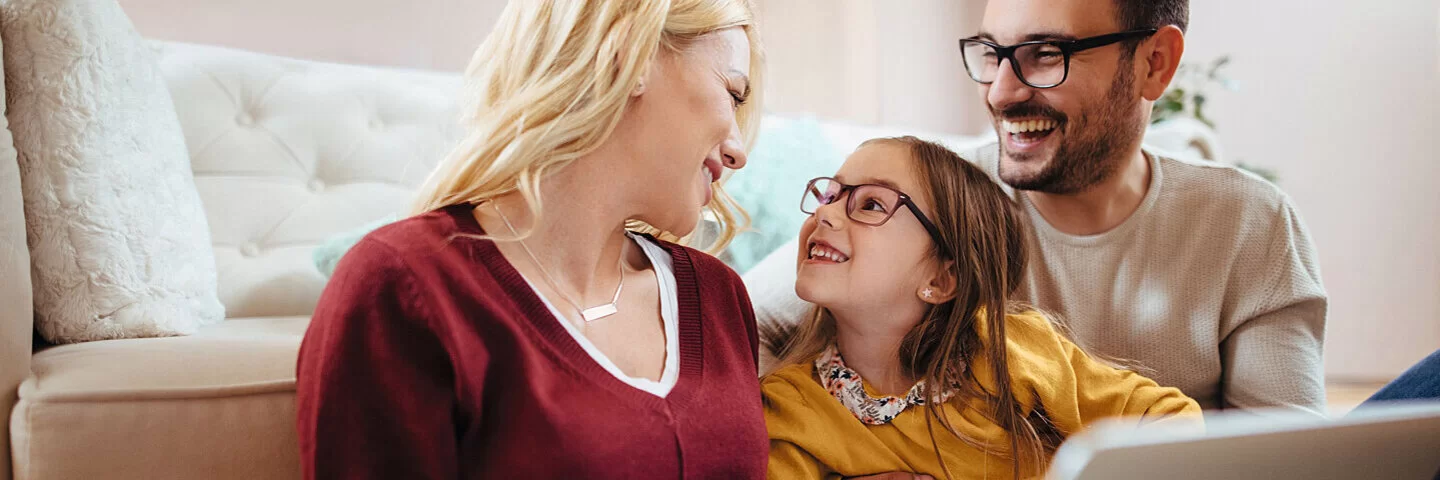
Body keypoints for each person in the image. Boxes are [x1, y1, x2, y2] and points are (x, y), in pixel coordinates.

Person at [748, 0, 1331, 415]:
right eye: (992, 53)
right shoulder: (937, 201)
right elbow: (744, 325)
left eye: (1046, 54)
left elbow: (1283, 452)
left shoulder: (1249, 222)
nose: (1001, 91)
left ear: (1156, 63)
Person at [295, 0, 770, 478]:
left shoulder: (718, 297)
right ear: (632, 55)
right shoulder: (404, 287)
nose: (737, 150)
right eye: (732, 92)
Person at [762, 136, 1200, 480]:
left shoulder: (1010, 349)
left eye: (872, 203)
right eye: (829, 196)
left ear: (941, 279)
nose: (826, 215)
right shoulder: (790, 405)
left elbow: (1170, 422)